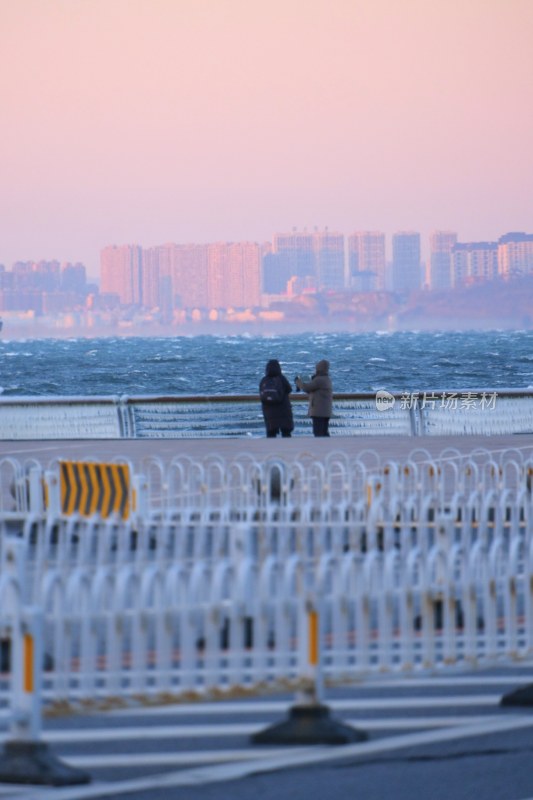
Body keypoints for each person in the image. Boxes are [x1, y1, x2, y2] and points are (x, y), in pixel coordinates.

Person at [295, 359, 332, 437]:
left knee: (318, 433)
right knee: (324, 433)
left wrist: (298, 382)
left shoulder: (319, 380)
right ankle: (327, 447)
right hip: (325, 411)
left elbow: (306, 388)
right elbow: (313, 390)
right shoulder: (326, 379)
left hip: (319, 412)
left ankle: (320, 448)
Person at [259, 359, 294, 438]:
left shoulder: (264, 380)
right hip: (283, 411)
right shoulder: (282, 379)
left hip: (269, 412)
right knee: (286, 434)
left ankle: (271, 449)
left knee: (271, 435)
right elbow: (289, 389)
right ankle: (287, 449)